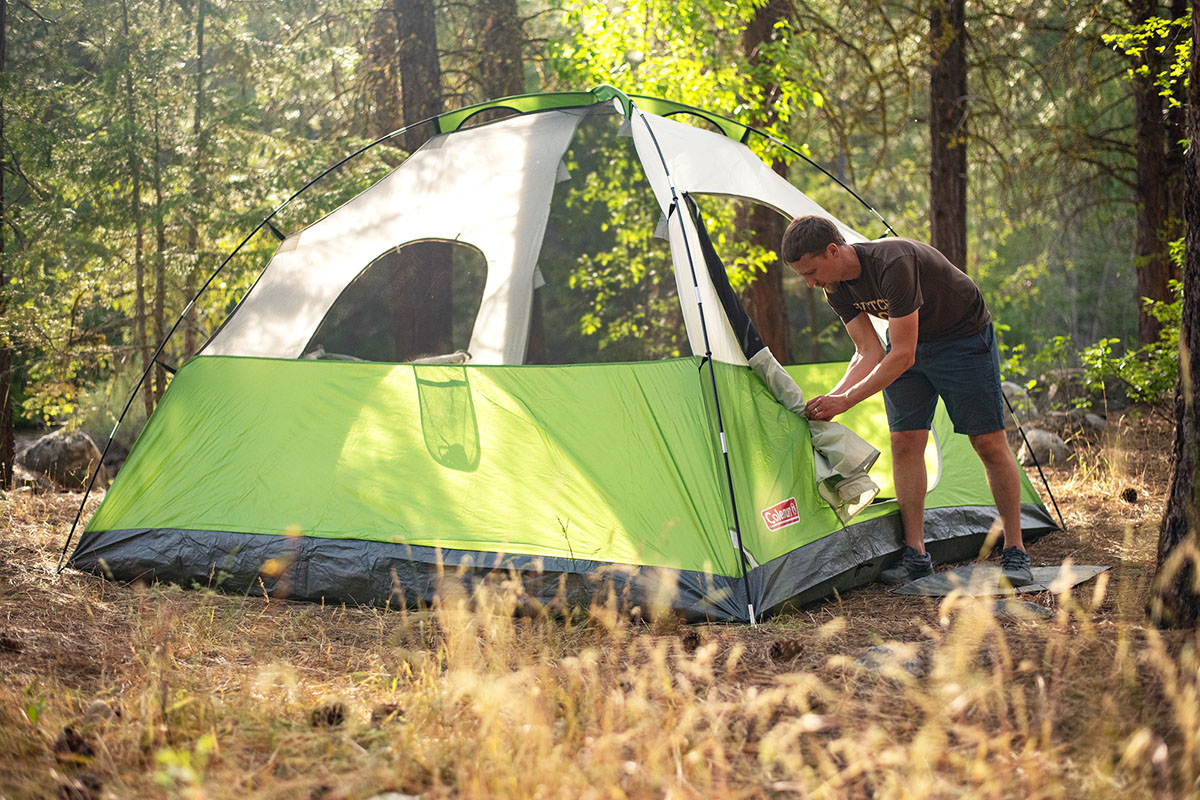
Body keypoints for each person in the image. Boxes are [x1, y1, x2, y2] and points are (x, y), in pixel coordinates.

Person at [781, 215, 1032, 586]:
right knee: (904, 441)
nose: (809, 282)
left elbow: (901, 356)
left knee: (987, 442)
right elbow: (866, 350)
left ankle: (1015, 549)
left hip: (963, 340)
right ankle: (916, 554)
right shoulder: (834, 287)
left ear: (834, 251)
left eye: (812, 271)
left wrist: (847, 401)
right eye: (803, 275)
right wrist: (832, 398)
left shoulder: (891, 263)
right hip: (909, 345)